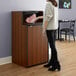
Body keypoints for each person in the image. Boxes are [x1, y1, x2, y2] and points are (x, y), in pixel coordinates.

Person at [43, 0, 61, 71]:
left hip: (50, 28)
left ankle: (56, 65)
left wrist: (44, 28)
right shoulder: (55, 4)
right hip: (55, 27)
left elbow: (48, 17)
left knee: (52, 47)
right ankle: (51, 62)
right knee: (53, 46)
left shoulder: (48, 4)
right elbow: (50, 15)